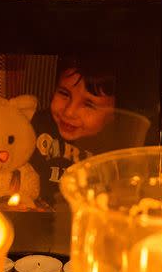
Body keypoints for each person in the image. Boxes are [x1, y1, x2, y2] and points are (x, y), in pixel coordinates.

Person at [31, 55, 148, 206]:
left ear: (115, 114)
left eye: (89, 104)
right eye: (64, 94)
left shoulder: (120, 153)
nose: (69, 112)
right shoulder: (34, 126)